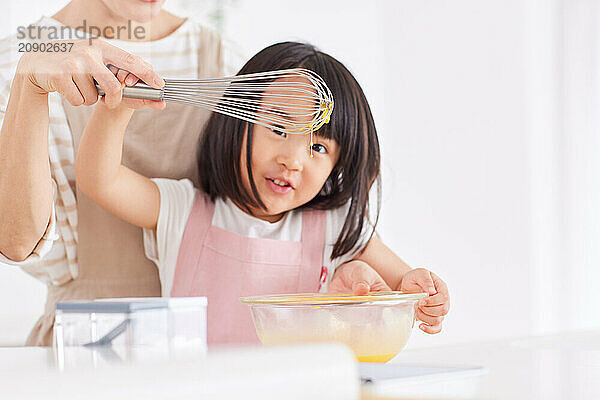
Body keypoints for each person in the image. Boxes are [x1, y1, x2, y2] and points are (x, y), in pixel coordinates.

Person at [75, 41, 450, 345]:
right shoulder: (185, 210)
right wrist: (115, 108)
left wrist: (423, 290)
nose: (293, 160)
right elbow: (100, 180)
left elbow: (404, 287)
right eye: (279, 129)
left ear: (338, 165)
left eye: (317, 148)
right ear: (237, 119)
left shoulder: (334, 225)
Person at [0, 0, 231, 346]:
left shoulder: (220, 57)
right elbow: (15, 242)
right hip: (81, 348)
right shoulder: (15, 61)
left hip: (197, 344)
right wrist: (29, 88)